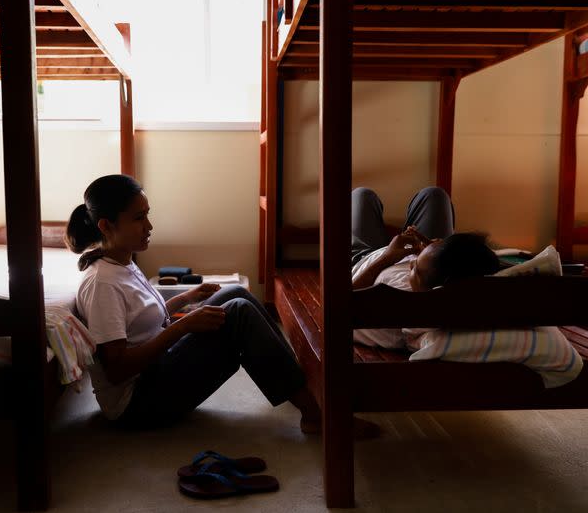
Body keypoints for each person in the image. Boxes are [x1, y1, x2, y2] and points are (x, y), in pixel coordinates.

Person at [66, 174, 377, 437]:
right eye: (138, 218)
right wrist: (185, 325)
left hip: (156, 371)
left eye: (148, 214)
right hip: (136, 405)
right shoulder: (102, 284)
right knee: (238, 314)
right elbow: (118, 369)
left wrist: (187, 299)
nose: (149, 225)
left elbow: (145, 320)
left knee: (233, 295)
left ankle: (302, 386)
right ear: (106, 226)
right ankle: (315, 415)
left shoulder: (123, 262)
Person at [350, 186, 500, 292]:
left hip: (363, 259)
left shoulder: (402, 303)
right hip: (409, 257)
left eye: (416, 270)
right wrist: (431, 250)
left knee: (361, 195)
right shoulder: (432, 274)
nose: (411, 264)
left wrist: (386, 258)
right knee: (434, 194)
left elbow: (344, 302)